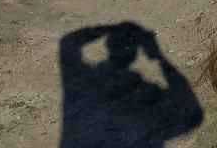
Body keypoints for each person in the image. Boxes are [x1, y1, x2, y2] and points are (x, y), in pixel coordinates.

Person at [59, 22, 203, 147]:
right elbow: (194, 116)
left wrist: (109, 29)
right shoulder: (148, 94)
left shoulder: (89, 80)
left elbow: (67, 43)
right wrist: (158, 57)